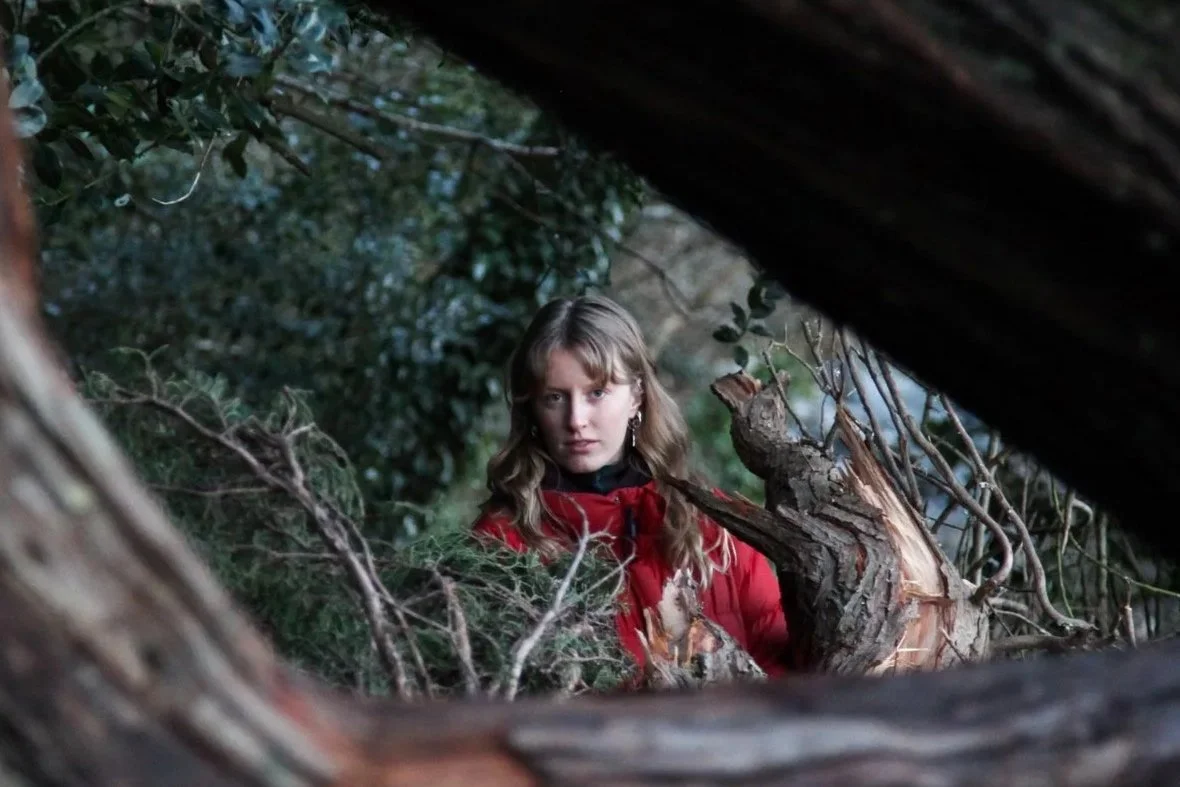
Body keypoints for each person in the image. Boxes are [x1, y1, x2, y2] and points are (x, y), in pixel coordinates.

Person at [470, 294, 789, 679]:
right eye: (555, 397)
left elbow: (780, 666)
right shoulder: (501, 543)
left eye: (597, 393)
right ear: (533, 408)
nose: (576, 420)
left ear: (637, 395)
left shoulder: (714, 526)